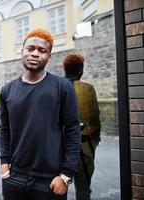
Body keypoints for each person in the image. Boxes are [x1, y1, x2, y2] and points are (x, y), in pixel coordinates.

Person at [0, 28, 81, 200]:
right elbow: (5, 130)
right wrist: (4, 165)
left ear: (48, 57)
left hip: (50, 180)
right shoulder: (7, 90)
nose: (35, 54)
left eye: (42, 50)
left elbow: (73, 130)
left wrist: (66, 176)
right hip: (15, 177)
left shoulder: (63, 87)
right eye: (30, 48)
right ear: (22, 51)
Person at [63, 54, 101, 200]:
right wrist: (93, 144)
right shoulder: (88, 89)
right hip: (84, 148)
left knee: (59, 187)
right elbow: (95, 119)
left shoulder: (57, 87)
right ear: (80, 70)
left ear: (65, 70)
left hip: (60, 149)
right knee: (83, 189)